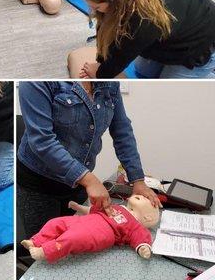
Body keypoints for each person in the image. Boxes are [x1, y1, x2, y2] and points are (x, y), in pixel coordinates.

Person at [17, 81, 160, 240]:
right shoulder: (35, 83)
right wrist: (89, 180)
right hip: (39, 186)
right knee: (45, 247)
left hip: (77, 186)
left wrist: (138, 179)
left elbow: (122, 131)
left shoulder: (109, 83)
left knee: (77, 243)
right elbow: (41, 141)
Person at [75, 0, 215, 79]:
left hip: (202, 42)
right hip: (180, 26)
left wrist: (100, 74)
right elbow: (106, 29)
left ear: (113, 0)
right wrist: (100, 62)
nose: (93, 10)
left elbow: (122, 55)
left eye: (96, 7)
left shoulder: (143, 19)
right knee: (143, 70)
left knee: (169, 95)